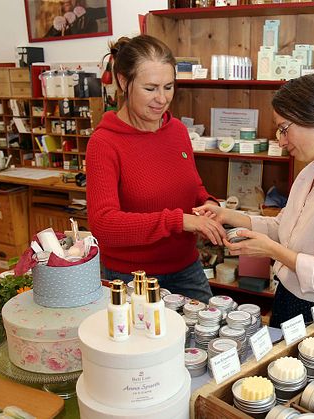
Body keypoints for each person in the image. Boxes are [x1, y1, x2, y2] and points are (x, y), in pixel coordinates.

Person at [194, 74, 314, 326]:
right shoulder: (310, 172)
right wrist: (228, 215)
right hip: (288, 298)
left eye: (284, 128)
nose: (281, 141)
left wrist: (272, 251)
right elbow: (285, 228)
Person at [86, 35, 225, 302]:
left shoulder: (178, 131)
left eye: (169, 87)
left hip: (187, 267)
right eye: (150, 88)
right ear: (124, 82)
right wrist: (180, 221)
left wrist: (206, 203)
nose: (162, 99)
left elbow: (192, 186)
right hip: (132, 277)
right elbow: (103, 224)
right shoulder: (104, 143)